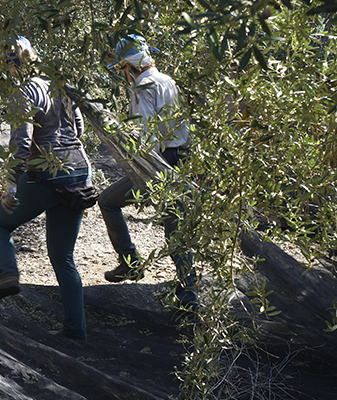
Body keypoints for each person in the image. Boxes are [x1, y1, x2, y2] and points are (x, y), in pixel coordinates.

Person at [0, 36, 93, 340]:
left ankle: (8, 276)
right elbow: (79, 128)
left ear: (10, 64)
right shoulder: (58, 85)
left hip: (47, 175)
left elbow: (22, 142)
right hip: (79, 174)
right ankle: (75, 330)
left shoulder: (24, 91)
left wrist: (10, 186)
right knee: (63, 257)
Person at [99, 34, 199, 309]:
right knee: (175, 225)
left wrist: (132, 160)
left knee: (107, 201)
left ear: (129, 66)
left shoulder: (142, 86)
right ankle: (189, 294)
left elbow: (144, 134)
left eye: (122, 69)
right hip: (182, 157)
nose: (123, 75)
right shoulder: (167, 79)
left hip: (160, 161)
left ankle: (130, 262)